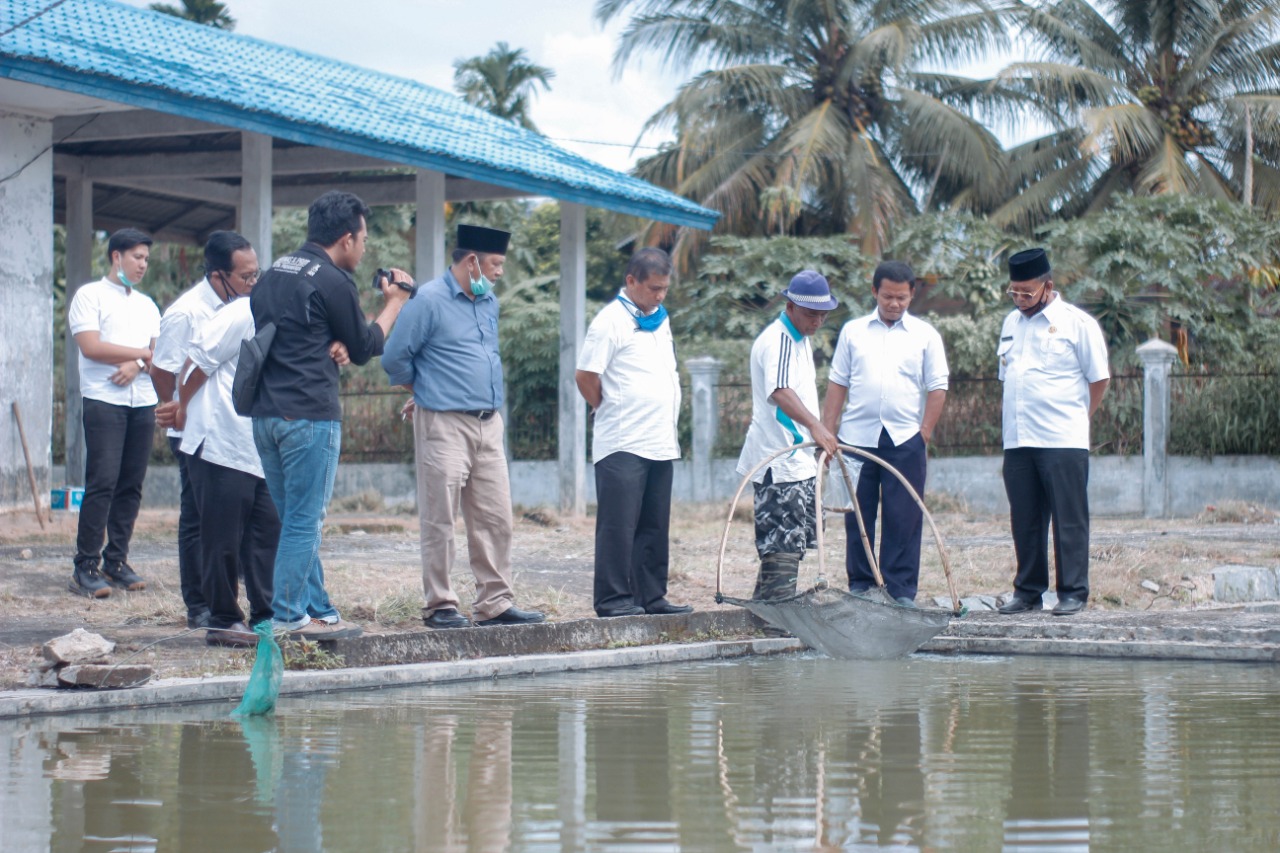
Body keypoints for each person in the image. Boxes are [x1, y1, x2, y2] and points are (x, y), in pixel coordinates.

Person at [248, 191, 411, 641]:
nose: (363, 248)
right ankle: (286, 615)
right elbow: (364, 348)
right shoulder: (333, 279)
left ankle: (317, 609)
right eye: (362, 239)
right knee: (305, 520)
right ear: (345, 239)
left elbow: (290, 334)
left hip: (266, 415)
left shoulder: (273, 272)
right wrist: (395, 301)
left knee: (294, 517)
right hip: (309, 416)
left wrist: (330, 343)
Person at [382, 224, 545, 629]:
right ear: (471, 260)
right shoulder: (428, 301)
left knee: (495, 517)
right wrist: (423, 388)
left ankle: (495, 603)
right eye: (495, 264)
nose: (499, 272)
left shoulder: (488, 303)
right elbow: (394, 358)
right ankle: (440, 604)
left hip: (489, 424)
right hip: (443, 422)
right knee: (440, 517)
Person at [157, 233, 277, 647]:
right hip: (217, 438)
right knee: (218, 536)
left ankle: (267, 614)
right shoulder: (222, 311)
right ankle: (221, 618)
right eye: (246, 276)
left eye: (256, 274)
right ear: (219, 275)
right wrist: (178, 407)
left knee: (263, 534)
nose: (253, 282)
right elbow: (189, 365)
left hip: (252, 442)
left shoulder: (259, 308)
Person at [821, 260, 948, 608]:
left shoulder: (925, 336)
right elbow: (838, 384)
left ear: (912, 296)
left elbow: (938, 388)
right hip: (856, 439)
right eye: (888, 296)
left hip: (905, 440)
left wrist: (923, 433)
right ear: (875, 291)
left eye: (902, 298)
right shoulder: (853, 332)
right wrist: (826, 434)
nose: (894, 304)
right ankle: (861, 584)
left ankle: (901, 590)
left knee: (903, 517)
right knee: (858, 515)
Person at [575, 248, 692, 618]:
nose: (659, 295)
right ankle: (613, 600)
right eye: (653, 288)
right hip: (623, 441)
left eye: (664, 289)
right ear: (631, 282)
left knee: (654, 525)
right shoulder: (610, 321)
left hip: (660, 440)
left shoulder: (660, 318)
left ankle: (651, 597)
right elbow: (586, 376)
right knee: (618, 526)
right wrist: (605, 407)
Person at [996, 248, 1110, 616]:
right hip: (1017, 440)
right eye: (1014, 292)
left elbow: (1099, 380)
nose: (1020, 299)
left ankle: (1073, 592)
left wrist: (1078, 417)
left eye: (1027, 293)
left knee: (1069, 519)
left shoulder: (1078, 324)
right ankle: (1028, 592)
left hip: (1063, 439)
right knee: (1025, 520)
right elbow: (1007, 377)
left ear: (1049, 287)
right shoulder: (1010, 323)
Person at [66, 228, 161, 598]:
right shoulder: (89, 296)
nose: (142, 265)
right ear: (116, 256)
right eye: (137, 257)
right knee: (103, 481)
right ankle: (85, 566)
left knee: (131, 484)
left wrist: (139, 361)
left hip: (142, 399)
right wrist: (141, 355)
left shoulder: (147, 304)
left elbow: (155, 352)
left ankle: (116, 560)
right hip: (105, 398)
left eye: (146, 260)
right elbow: (91, 347)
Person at [735, 271, 839, 607]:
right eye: (811, 314)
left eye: (823, 314)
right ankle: (777, 615)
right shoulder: (778, 339)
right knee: (781, 541)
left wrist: (816, 434)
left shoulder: (800, 340)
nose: (818, 321)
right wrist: (817, 427)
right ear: (790, 306)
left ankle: (765, 610)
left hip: (798, 459)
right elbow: (780, 391)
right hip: (778, 459)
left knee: (791, 541)